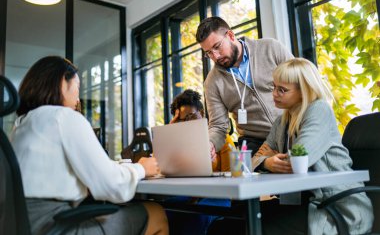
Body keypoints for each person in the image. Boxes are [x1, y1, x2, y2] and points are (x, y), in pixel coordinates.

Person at [11, 56, 169, 235]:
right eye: (77, 87)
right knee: (156, 213)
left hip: (21, 225)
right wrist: (141, 168)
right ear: (63, 82)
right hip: (54, 226)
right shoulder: (63, 117)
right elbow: (111, 185)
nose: (78, 98)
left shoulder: (21, 125)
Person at [252, 58, 373, 234]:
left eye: (282, 90)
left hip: (334, 206)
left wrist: (276, 157)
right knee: (230, 223)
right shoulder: (281, 121)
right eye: (274, 87)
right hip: (302, 202)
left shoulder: (319, 110)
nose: (274, 94)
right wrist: (267, 162)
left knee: (255, 227)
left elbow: (297, 161)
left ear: (304, 91)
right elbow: (256, 159)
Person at [196, 16, 294, 156]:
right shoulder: (212, 82)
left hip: (292, 130)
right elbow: (218, 126)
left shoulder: (270, 48)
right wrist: (210, 143)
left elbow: (301, 83)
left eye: (217, 47)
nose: (215, 56)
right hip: (255, 143)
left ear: (230, 35)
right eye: (209, 53)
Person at [166, 89, 231, 235]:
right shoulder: (180, 142)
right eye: (182, 120)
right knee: (165, 210)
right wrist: (172, 131)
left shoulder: (220, 139)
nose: (187, 123)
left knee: (196, 217)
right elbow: (166, 169)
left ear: (201, 113)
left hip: (218, 195)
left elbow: (233, 176)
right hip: (191, 195)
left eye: (190, 116)